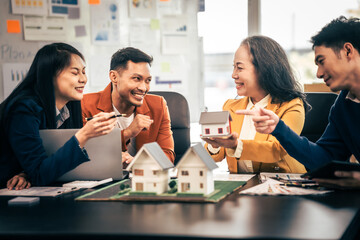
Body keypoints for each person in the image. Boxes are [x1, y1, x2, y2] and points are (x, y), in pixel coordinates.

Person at [236, 16, 360, 189]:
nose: (318, 73)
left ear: (347, 51)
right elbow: (324, 159)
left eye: (321, 61)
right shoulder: (343, 106)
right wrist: (278, 128)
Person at [0, 43, 117, 190]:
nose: (83, 79)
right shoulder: (23, 109)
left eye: (83, 72)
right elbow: (39, 174)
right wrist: (83, 135)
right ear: (50, 76)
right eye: (75, 73)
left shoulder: (69, 105)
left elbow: (47, 162)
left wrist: (26, 173)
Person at [202, 35, 309, 174]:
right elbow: (217, 155)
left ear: (263, 70)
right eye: (233, 67)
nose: (233, 75)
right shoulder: (231, 107)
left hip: (283, 185)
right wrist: (215, 144)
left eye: (239, 68)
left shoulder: (291, 106)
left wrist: (236, 145)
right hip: (243, 187)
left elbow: (276, 149)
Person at [81, 47, 175, 164]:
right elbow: (83, 154)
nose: (143, 88)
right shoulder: (86, 104)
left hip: (145, 178)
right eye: (136, 79)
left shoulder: (158, 105)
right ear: (114, 77)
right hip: (103, 180)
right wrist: (127, 133)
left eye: (148, 80)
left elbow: (167, 156)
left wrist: (137, 162)